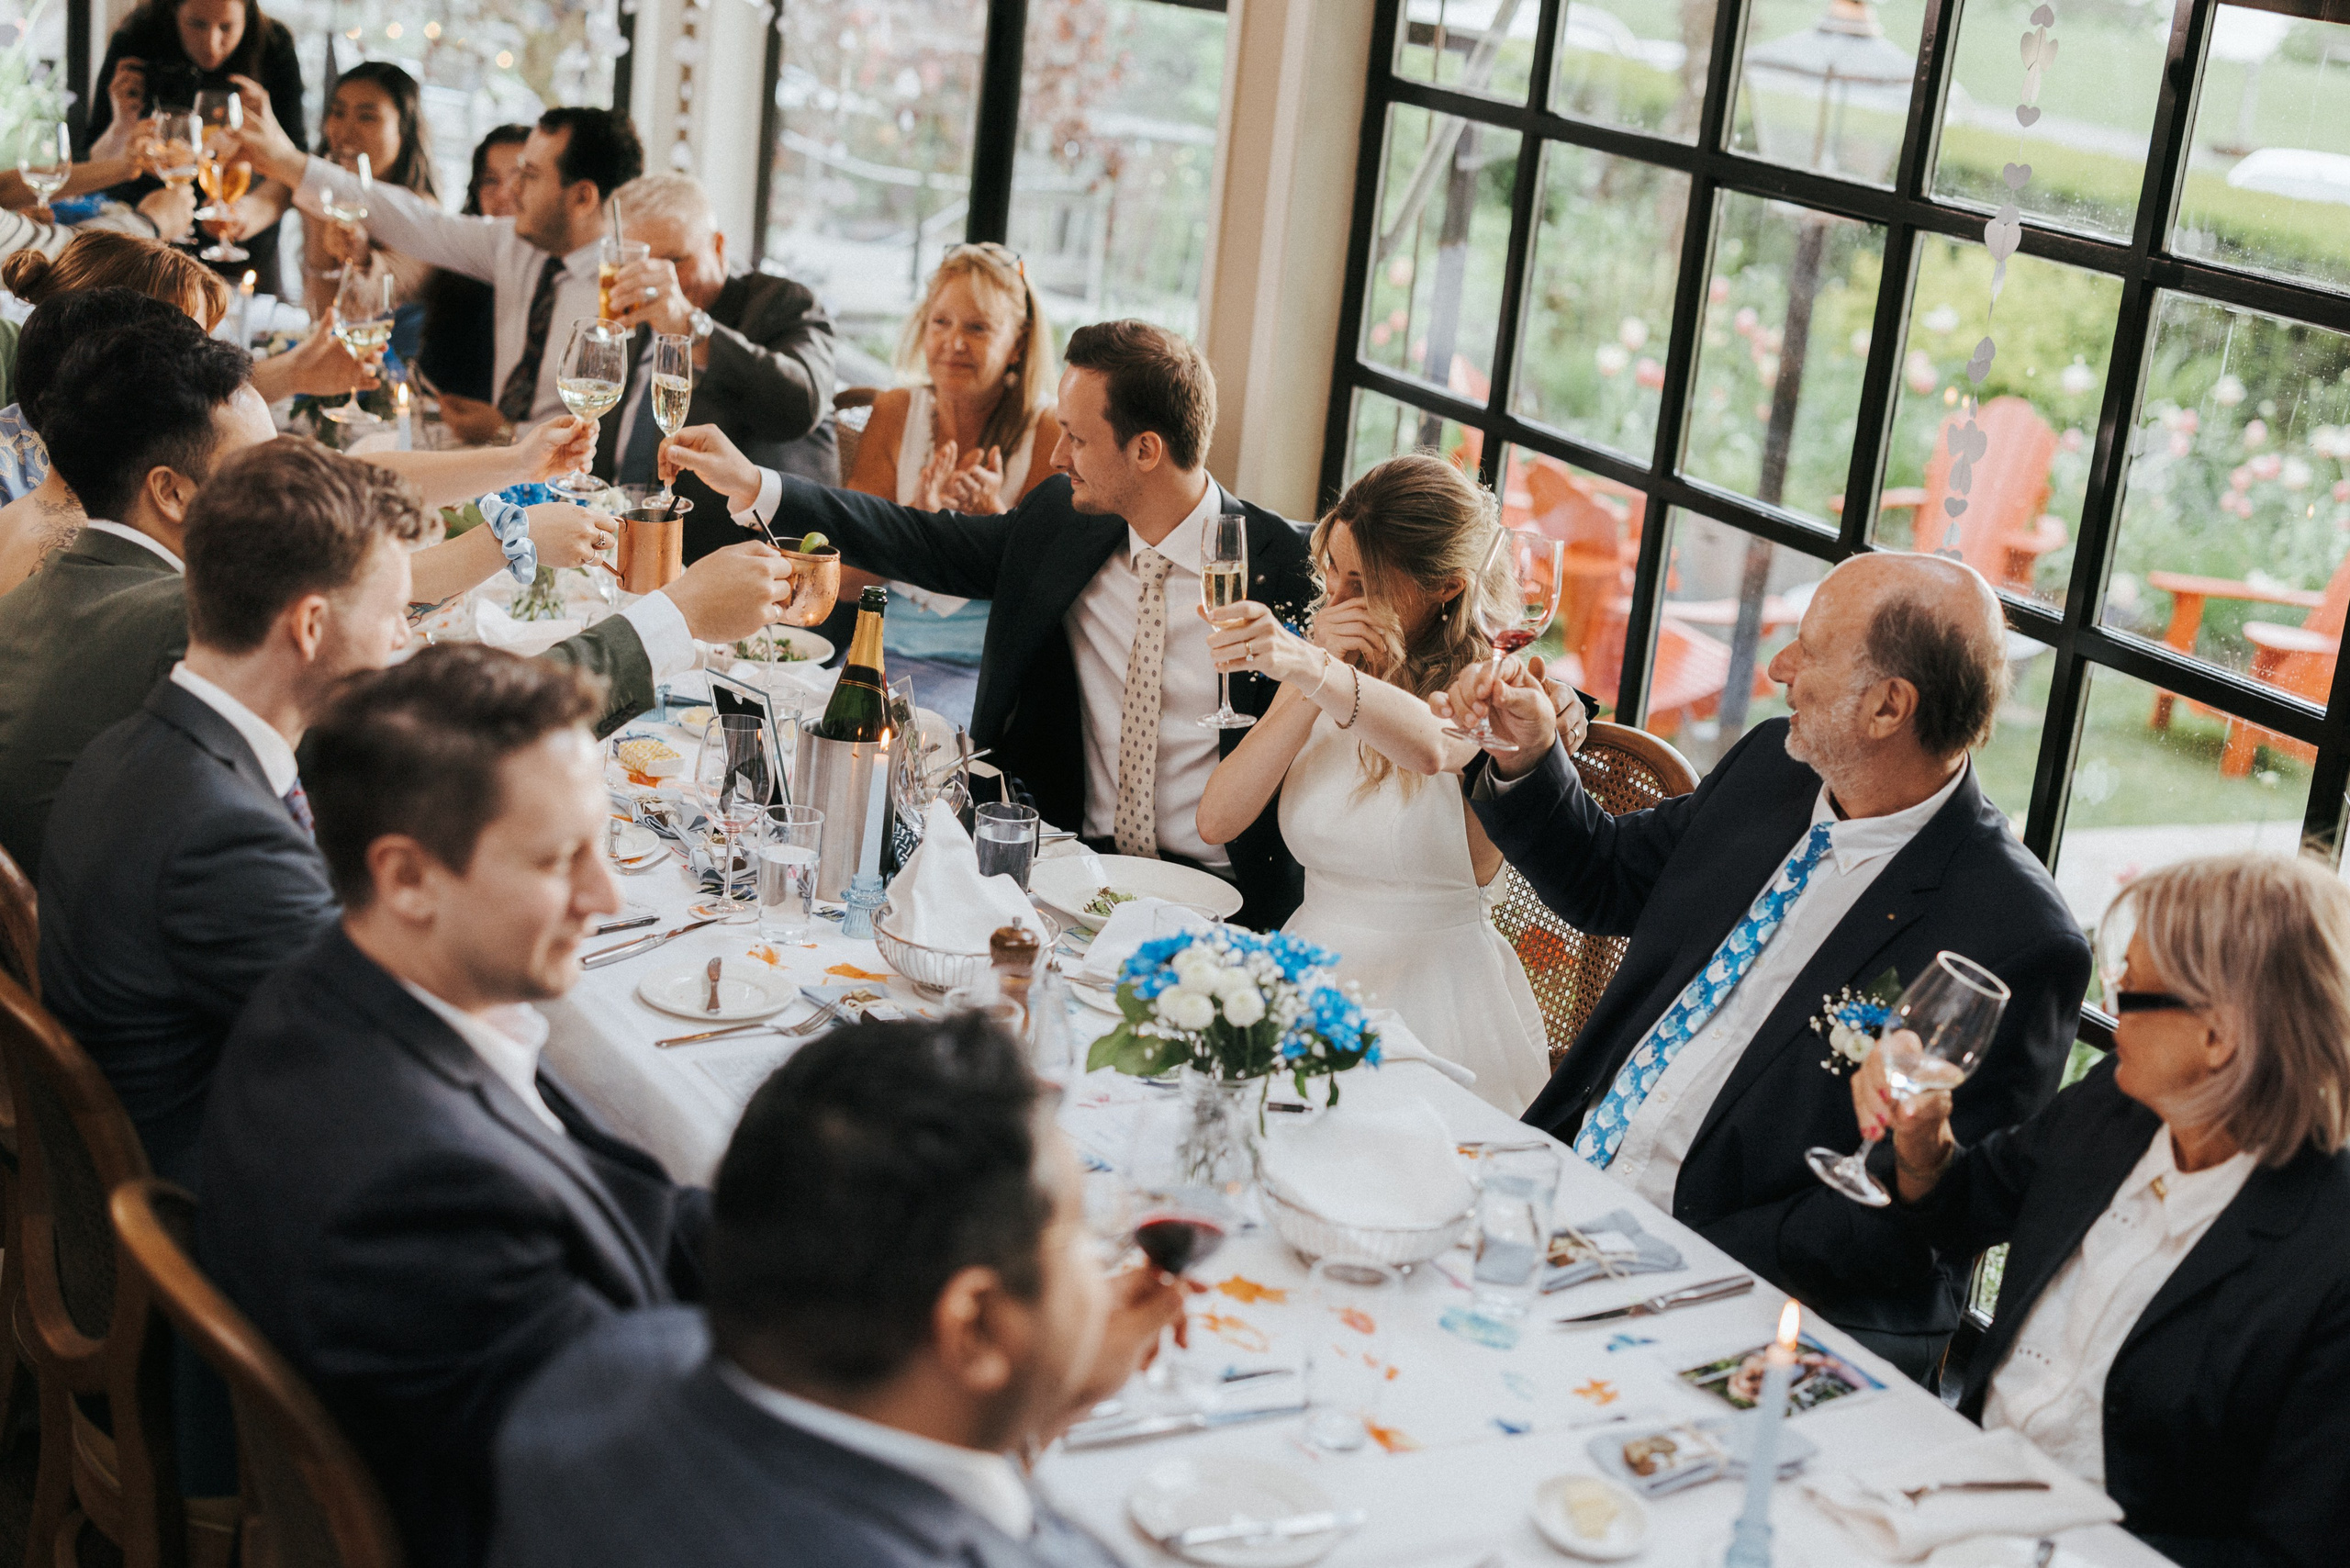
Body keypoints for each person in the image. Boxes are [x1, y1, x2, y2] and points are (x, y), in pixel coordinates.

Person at [1435, 551, 2091, 1379]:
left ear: (1890, 706)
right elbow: (1609, 881)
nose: (1779, 667)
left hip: (1755, 1308)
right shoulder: (1771, 771)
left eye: (1809, 650)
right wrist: (1529, 760)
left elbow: (1908, 1215)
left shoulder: (2013, 937)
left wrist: (1659, 1252)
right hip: (1563, 1192)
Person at [199, 644, 709, 1568]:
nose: (609, 892)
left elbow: (621, 1199)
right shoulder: (419, 1188)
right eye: (560, 859)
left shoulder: (343, 995)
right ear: (406, 878)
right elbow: (647, 1452)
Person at [0, 314, 796, 876]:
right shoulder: (193, 628)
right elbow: (454, 751)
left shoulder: (48, 593)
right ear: (171, 493)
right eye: (263, 471)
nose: (297, 486)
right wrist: (675, 617)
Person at [662, 320, 1316, 930]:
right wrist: (755, 484)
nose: (1058, 456)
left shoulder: (1287, 567)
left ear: (1146, 449)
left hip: (1226, 898)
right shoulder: (1063, 520)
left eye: (1078, 438)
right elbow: (922, 541)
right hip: (1070, 878)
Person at [488, 1014, 1184, 1568]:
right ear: (971, 1324)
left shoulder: (601, 1372)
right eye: (1078, 1240)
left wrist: (1035, 1397)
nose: (1099, 1272)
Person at [1856, 853, 2350, 1567]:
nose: (2112, 1016)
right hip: (1951, 1494)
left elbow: (2291, 1550)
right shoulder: (2116, 1111)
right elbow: (1959, 1210)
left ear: (2220, 1037)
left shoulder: (2327, 1258)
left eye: (2133, 995)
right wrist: (1922, 1137)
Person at [37, 440, 408, 1181]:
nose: (405, 641)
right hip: (230, 1221)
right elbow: (392, 1066)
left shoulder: (126, 746)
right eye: (397, 614)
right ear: (310, 627)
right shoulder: (223, 836)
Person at [1194, 454, 1549, 1112]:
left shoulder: (1495, 682)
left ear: (1446, 586)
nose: (1336, 598)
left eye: (1364, 582)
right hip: (1309, 975)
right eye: (1331, 568)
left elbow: (1430, 746)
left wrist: (1312, 666)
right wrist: (1308, 676)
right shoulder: (1328, 662)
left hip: (1438, 1003)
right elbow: (1217, 819)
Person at [227, 103, 643, 440]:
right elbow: (415, 222)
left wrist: (507, 431)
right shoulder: (515, 244)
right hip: (503, 467)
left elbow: (616, 436)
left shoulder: (630, 287)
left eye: (529, 177)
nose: (512, 191)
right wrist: (287, 162)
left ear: (583, 197)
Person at [840, 241, 1060, 666]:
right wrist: (916, 523)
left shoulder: (1049, 431)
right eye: (941, 321)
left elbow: (1050, 599)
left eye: (978, 328)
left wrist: (996, 527)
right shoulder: (894, 412)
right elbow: (847, 582)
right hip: (879, 648)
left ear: (1018, 343)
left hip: (991, 665)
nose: (954, 342)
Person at [596, 173, 837, 557]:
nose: (659, 283)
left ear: (719, 246)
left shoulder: (782, 303)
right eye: (643, 265)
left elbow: (800, 404)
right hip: (618, 552)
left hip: (739, 559)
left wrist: (691, 326)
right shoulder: (635, 323)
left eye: (674, 261)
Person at [84, 0, 307, 292]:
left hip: (241, 241)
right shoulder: (137, 38)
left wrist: (247, 214)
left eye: (227, 27)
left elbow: (298, 168)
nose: (212, 45)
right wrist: (121, 126)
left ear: (248, 15)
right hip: (143, 235)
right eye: (197, 25)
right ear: (173, 11)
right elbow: (92, 164)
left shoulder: (272, 45)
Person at [302, 62, 438, 364]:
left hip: (395, 382)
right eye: (337, 112)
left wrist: (360, 255)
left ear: (404, 131)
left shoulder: (424, 214)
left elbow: (359, 314)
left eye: (367, 117)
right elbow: (319, 319)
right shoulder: (324, 197)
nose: (345, 131)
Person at [420, 125, 530, 442]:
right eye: (491, 180)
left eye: (520, 178)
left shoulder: (562, 278)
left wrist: (502, 429)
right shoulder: (457, 270)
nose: (503, 194)